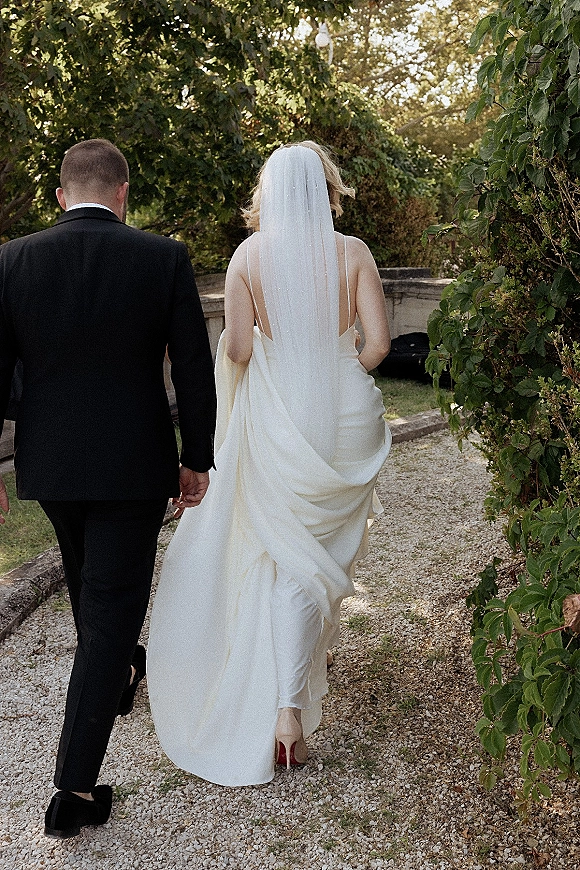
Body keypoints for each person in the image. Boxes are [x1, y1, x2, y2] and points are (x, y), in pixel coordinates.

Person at [147, 141, 391, 786]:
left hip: (281, 419)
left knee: (288, 556)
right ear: (324, 188)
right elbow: (380, 345)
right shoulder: (354, 254)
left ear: (268, 195)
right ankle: (290, 711)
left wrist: (277, 365)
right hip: (343, 419)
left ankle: (285, 710)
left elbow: (237, 347)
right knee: (315, 557)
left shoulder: (248, 258)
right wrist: (338, 373)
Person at [0, 139, 216, 836]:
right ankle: (73, 791)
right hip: (131, 466)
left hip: (52, 468)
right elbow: (193, 364)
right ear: (123, 192)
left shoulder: (13, 260)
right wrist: (198, 456)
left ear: (62, 195)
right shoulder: (163, 258)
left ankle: (120, 669)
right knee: (110, 614)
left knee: (98, 599)